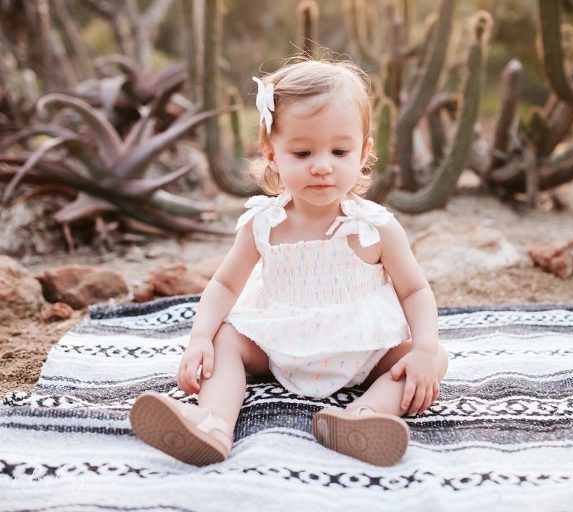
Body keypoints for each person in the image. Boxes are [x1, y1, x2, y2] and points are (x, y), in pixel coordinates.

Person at [130, 57, 449, 467]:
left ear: (364, 152)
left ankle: (362, 417)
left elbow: (415, 290)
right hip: (280, 344)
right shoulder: (263, 224)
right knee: (226, 339)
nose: (321, 165)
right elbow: (225, 285)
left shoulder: (374, 228)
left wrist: (422, 348)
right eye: (302, 151)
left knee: (433, 357)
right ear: (272, 154)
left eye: (340, 150)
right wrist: (199, 339)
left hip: (363, 347)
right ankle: (212, 424)